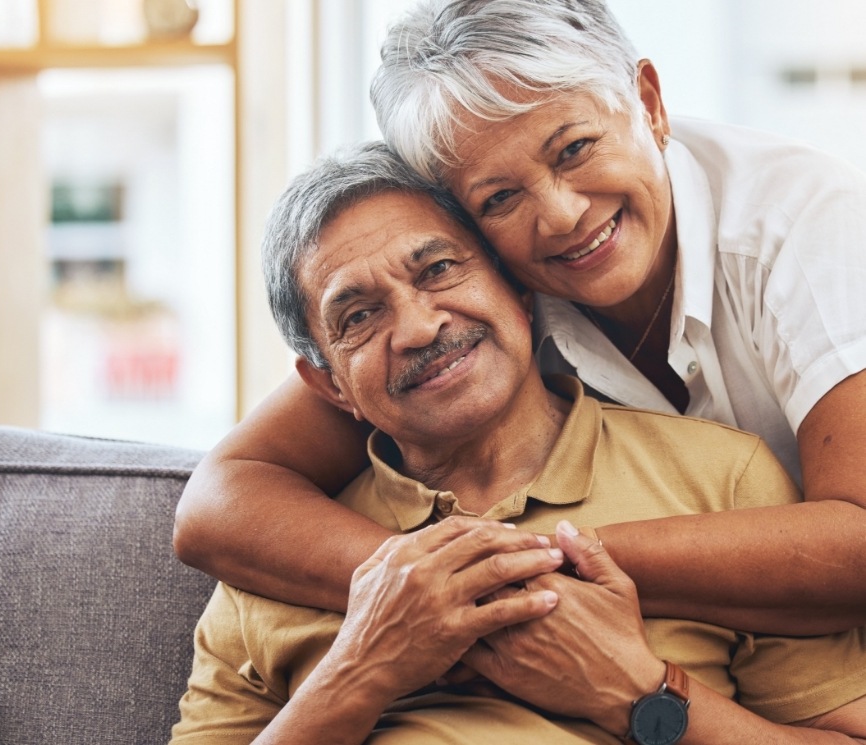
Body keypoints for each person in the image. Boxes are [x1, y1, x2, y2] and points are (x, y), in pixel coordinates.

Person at [173, 0, 866, 635]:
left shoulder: (808, 223)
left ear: (648, 102)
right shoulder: (474, 291)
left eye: (575, 149)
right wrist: (425, 585)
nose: (562, 215)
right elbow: (217, 505)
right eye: (500, 196)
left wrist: (522, 564)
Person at [171, 142, 866, 745]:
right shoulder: (275, 562)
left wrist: (642, 693)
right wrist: (364, 667)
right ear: (329, 386)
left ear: (522, 290)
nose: (417, 326)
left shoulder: (726, 480)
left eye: (439, 268)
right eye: (359, 314)